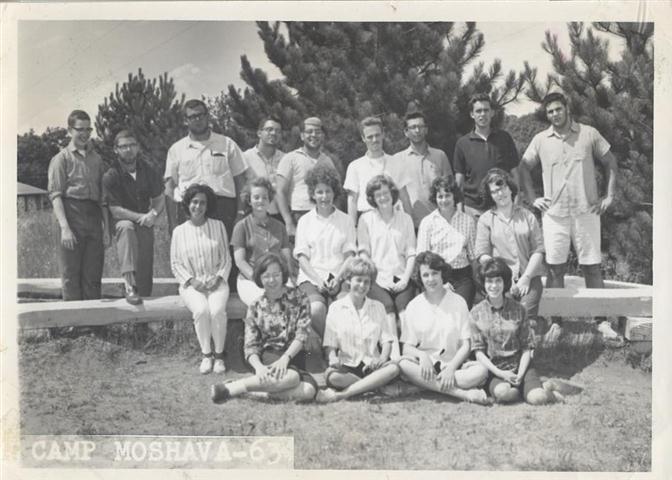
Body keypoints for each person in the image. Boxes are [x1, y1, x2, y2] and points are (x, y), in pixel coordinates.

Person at [519, 92, 620, 343]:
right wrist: (532, 197)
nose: (555, 114)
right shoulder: (540, 140)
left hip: (587, 212)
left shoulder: (589, 134)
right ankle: (556, 322)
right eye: (550, 111)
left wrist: (609, 196)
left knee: (592, 266)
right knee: (555, 268)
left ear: (567, 108)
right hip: (554, 215)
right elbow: (523, 167)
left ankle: (601, 321)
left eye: (558, 109)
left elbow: (611, 161)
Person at [210, 253, 318, 403]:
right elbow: (250, 345)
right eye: (266, 276)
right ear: (259, 278)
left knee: (309, 391)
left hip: (295, 354)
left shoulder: (300, 298)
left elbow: (302, 334)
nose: (272, 280)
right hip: (270, 356)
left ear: (283, 274)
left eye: (276, 275)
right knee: (292, 378)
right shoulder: (255, 306)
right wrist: (259, 367)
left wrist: (285, 358)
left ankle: (243, 389)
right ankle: (233, 388)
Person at [397, 252, 490, 404]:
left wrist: (451, 368)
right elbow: (407, 348)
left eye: (435, 273)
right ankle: (462, 394)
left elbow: (466, 345)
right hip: (425, 367)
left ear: (442, 274)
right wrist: (422, 356)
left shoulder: (458, 302)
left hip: (453, 366)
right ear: (420, 278)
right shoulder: (414, 306)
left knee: (481, 371)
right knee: (403, 364)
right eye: (425, 275)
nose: (431, 279)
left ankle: (422, 386)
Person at [470, 257, 563, 405]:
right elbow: (478, 352)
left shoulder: (519, 309)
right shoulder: (475, 313)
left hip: (521, 366)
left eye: (498, 281)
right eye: (489, 281)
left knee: (537, 399)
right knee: (503, 393)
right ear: (483, 283)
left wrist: (520, 374)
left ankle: (545, 393)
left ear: (505, 282)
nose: (494, 286)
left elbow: (527, 347)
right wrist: (500, 373)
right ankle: (529, 389)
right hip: (495, 371)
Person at [316, 257, 400, 403]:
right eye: (358, 280)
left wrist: (382, 359)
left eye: (367, 282)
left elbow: (387, 341)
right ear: (349, 280)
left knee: (393, 369)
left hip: (373, 366)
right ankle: (374, 385)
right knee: (332, 376)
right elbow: (330, 343)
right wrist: (333, 358)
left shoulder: (378, 307)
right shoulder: (336, 308)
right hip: (348, 367)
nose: (362, 285)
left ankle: (342, 394)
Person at [164, 99, 250, 237]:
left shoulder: (227, 144)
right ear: (186, 120)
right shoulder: (176, 149)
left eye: (201, 115)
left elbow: (241, 182)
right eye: (192, 117)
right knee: (191, 249)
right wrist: (172, 223)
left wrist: (240, 213)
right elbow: (169, 188)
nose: (197, 119)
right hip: (189, 209)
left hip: (223, 209)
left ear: (207, 116)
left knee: (225, 249)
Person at [47, 109, 110, 301]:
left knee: (93, 274)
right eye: (79, 129)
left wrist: (106, 228)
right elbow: (55, 195)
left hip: (93, 217)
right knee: (70, 274)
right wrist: (65, 228)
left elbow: (103, 198)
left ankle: (93, 319)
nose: (84, 134)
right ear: (69, 130)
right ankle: (73, 319)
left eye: (88, 129)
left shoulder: (97, 159)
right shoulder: (61, 159)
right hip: (71, 215)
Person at [170, 184, 231, 374]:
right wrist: (192, 281)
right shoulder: (179, 231)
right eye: (194, 202)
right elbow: (175, 263)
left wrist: (218, 278)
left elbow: (226, 258)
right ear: (188, 204)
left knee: (217, 310)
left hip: (216, 282)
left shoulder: (218, 226)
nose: (198, 206)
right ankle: (206, 354)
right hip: (191, 285)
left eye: (202, 203)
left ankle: (219, 356)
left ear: (208, 205)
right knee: (202, 310)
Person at [103, 130, 165, 305]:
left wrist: (153, 214)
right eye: (123, 146)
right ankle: (129, 286)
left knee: (145, 264)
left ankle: (143, 299)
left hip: (145, 220)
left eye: (132, 145)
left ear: (138, 147)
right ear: (116, 150)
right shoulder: (111, 175)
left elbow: (159, 198)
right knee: (126, 227)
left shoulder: (148, 170)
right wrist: (142, 217)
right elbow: (115, 210)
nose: (128, 150)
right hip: (121, 221)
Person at [294, 164, 356, 340]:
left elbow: (350, 256)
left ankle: (339, 346)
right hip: (312, 277)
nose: (324, 196)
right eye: (319, 192)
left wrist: (339, 278)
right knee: (316, 310)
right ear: (312, 194)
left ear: (334, 192)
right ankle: (327, 346)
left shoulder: (346, 220)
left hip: (339, 276)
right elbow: (302, 258)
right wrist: (318, 280)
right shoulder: (305, 221)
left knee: (345, 307)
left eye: (328, 191)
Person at [357, 174, 416, 358]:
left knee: (405, 312)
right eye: (378, 195)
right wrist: (376, 277)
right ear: (372, 198)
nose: (382, 197)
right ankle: (395, 357)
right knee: (388, 310)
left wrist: (405, 279)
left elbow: (411, 253)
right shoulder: (366, 220)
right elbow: (364, 253)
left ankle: (409, 356)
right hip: (377, 279)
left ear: (392, 193)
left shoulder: (405, 219)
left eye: (385, 193)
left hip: (402, 276)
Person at [475, 168, 544, 319]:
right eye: (494, 191)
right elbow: (482, 254)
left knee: (526, 318)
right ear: (490, 196)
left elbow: (538, 251)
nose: (500, 193)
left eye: (503, 188)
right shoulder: (485, 220)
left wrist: (526, 278)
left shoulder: (528, 216)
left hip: (529, 277)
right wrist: (504, 277)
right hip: (500, 281)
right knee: (506, 320)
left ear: (510, 188)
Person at [453, 93, 520, 219]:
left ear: (492, 113)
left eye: (486, 110)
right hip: (472, 210)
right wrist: (459, 210)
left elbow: (515, 173)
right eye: (478, 111)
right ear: (472, 114)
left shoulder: (504, 138)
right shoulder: (462, 143)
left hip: (502, 207)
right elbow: (459, 182)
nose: (482, 114)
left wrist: (516, 200)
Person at [276, 117, 343, 237]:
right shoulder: (290, 158)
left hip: (324, 215)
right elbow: (279, 191)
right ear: (302, 136)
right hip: (299, 215)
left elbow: (336, 192)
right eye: (309, 132)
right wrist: (288, 222)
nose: (314, 135)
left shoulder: (327, 161)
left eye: (317, 132)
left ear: (322, 136)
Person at [416, 175, 477, 308]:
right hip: (435, 275)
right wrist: (440, 282)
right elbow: (422, 257)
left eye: (448, 195)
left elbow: (473, 256)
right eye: (440, 196)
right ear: (435, 198)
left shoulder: (468, 220)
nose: (444, 200)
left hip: (462, 277)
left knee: (460, 309)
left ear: (454, 196)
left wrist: (478, 282)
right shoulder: (427, 222)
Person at [231, 177, 293, 306]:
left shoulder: (279, 226)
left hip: (276, 278)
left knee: (292, 300)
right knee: (265, 303)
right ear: (249, 200)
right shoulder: (241, 226)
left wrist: (285, 279)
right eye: (256, 197)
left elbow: (286, 258)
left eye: (265, 197)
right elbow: (240, 261)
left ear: (269, 200)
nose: (261, 201)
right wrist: (258, 279)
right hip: (250, 280)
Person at [343, 116, 411, 226]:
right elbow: (352, 201)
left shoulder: (397, 162)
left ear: (383, 134)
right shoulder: (355, 166)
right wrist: (352, 228)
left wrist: (410, 224)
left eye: (377, 135)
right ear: (363, 138)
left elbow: (405, 197)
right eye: (370, 137)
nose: (374, 140)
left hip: (395, 219)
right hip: (367, 221)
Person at [392, 111, 452, 227]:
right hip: (410, 224)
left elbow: (450, 189)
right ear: (406, 132)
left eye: (420, 126)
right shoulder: (397, 160)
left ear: (426, 130)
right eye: (413, 127)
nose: (417, 130)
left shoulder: (440, 156)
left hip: (439, 221)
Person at [242, 117, 285, 222]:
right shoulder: (245, 157)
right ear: (259, 133)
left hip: (281, 217)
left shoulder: (286, 159)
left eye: (278, 131)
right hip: (254, 216)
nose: (274, 133)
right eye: (269, 129)